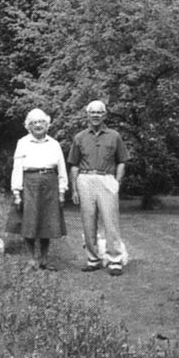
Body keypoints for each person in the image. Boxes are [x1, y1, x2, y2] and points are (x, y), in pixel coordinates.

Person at [67, 100, 129, 276]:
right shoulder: (79, 137)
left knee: (111, 221)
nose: (95, 115)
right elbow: (74, 165)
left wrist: (117, 182)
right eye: (92, 112)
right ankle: (92, 259)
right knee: (88, 221)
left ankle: (115, 260)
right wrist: (75, 189)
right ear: (87, 115)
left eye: (99, 112)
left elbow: (122, 161)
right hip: (85, 179)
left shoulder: (114, 135)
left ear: (105, 115)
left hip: (106, 178)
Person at [5, 108, 68, 270]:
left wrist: (62, 191)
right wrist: (17, 192)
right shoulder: (22, 143)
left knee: (48, 222)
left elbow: (61, 169)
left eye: (41, 122)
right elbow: (17, 168)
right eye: (34, 123)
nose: (38, 125)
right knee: (29, 222)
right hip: (29, 184)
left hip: (50, 183)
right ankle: (32, 259)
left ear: (47, 125)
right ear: (28, 126)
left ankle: (44, 259)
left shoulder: (54, 144)